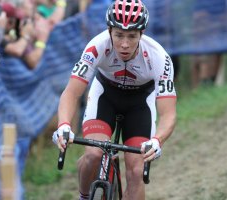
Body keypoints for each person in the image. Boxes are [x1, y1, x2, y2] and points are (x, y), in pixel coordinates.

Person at [52, 0, 177, 199]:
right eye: (119, 35)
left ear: (142, 34)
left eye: (132, 36)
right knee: (93, 154)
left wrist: (157, 140)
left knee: (136, 171)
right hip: (106, 96)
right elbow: (71, 93)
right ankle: (84, 196)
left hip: (140, 102)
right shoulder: (96, 46)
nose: (125, 44)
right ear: (109, 30)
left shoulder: (159, 58)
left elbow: (168, 113)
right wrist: (64, 125)